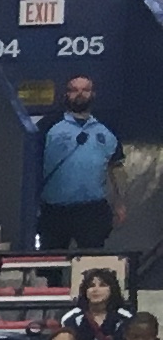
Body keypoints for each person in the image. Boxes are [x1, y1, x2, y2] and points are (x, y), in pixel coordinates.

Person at [36, 73, 119, 254]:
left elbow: (116, 166)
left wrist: (120, 203)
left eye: (85, 90)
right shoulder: (48, 125)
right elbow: (31, 163)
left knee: (92, 261)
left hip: (92, 210)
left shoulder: (107, 128)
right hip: (54, 210)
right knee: (51, 265)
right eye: (74, 90)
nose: (80, 94)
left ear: (93, 94)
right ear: (66, 95)